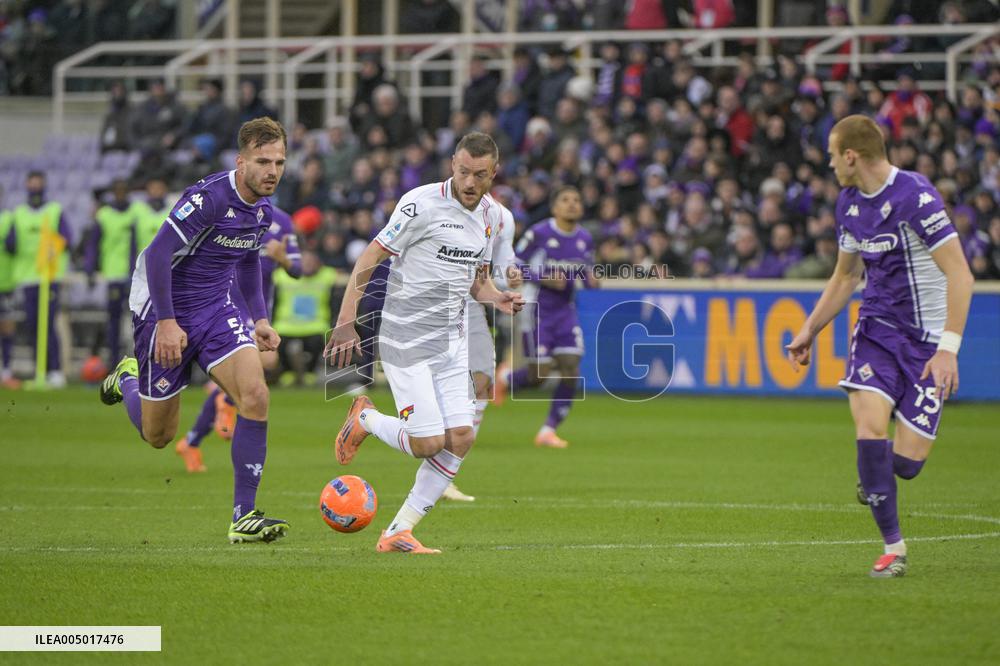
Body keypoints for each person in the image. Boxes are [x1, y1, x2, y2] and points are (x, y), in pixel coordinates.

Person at [786, 115, 974, 578]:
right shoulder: (849, 204)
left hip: (927, 345)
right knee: (869, 428)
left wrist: (947, 349)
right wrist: (811, 328)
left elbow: (961, 274)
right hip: (876, 331)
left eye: (833, 155)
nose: (830, 164)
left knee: (905, 466)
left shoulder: (915, 195)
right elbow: (846, 276)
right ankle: (894, 548)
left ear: (851, 155)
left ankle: (874, 477)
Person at [326, 132, 524, 554]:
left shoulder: (491, 216)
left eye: (480, 175)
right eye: (463, 172)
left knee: (462, 436)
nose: (470, 182)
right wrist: (347, 322)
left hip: (451, 342)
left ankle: (398, 530)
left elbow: (478, 281)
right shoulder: (420, 204)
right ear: (452, 163)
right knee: (428, 444)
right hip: (406, 337)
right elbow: (370, 257)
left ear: (495, 172)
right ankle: (365, 420)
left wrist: (497, 298)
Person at [99, 118, 291, 543]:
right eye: (263, 161)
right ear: (241, 162)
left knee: (256, 395)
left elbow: (245, 259)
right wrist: (166, 322)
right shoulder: (208, 198)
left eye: (279, 161)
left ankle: (244, 516)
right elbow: (158, 254)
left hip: (215, 308)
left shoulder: (263, 209)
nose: (272, 171)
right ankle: (126, 378)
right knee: (159, 435)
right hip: (161, 308)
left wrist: (259, 319)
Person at [173, 206, 302, 473]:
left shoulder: (281, 220)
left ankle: (193, 440)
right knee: (265, 361)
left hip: (256, 308)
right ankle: (224, 404)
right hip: (222, 303)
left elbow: (298, 269)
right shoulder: (221, 211)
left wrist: (284, 259)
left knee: (249, 374)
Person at [495, 186, 596, 448]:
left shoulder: (585, 238)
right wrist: (545, 279)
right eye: (565, 200)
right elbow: (514, 269)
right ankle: (505, 379)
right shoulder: (539, 233)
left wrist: (591, 279)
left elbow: (584, 272)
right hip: (536, 307)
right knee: (538, 375)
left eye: (576, 200)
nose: (572, 204)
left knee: (571, 369)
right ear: (555, 208)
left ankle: (548, 430)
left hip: (565, 311)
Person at [444, 192, 521, 502]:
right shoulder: (436, 204)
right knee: (433, 395)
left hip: (469, 299)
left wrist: (511, 276)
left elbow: (502, 263)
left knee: (483, 379)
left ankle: (445, 473)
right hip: (427, 300)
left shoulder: (503, 217)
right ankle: (373, 422)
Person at [5, 171, 72, 387]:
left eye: (38, 183)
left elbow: (67, 238)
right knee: (33, 325)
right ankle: (38, 369)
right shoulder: (18, 214)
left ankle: (55, 370)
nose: (35, 187)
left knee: (48, 324)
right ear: (26, 185)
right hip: (27, 279)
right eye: (31, 184)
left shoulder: (54, 211)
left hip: (48, 278)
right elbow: (11, 244)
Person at [86, 179, 136, 364]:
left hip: (136, 276)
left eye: (124, 191)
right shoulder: (104, 215)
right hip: (114, 274)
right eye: (118, 191)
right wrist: (89, 268)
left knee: (137, 322)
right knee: (113, 321)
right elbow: (93, 243)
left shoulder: (136, 213)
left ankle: (137, 362)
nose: (121, 194)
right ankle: (115, 362)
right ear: (114, 193)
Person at [0, 207, 18, 388]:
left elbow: (13, 246)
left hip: (5, 283)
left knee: (6, 329)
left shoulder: (7, 219)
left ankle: (6, 371)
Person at [132, 177, 172, 253]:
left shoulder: (172, 211)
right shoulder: (137, 210)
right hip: (142, 260)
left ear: (165, 190)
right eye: (153, 188)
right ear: (147, 190)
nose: (156, 191)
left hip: (166, 260)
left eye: (159, 188)